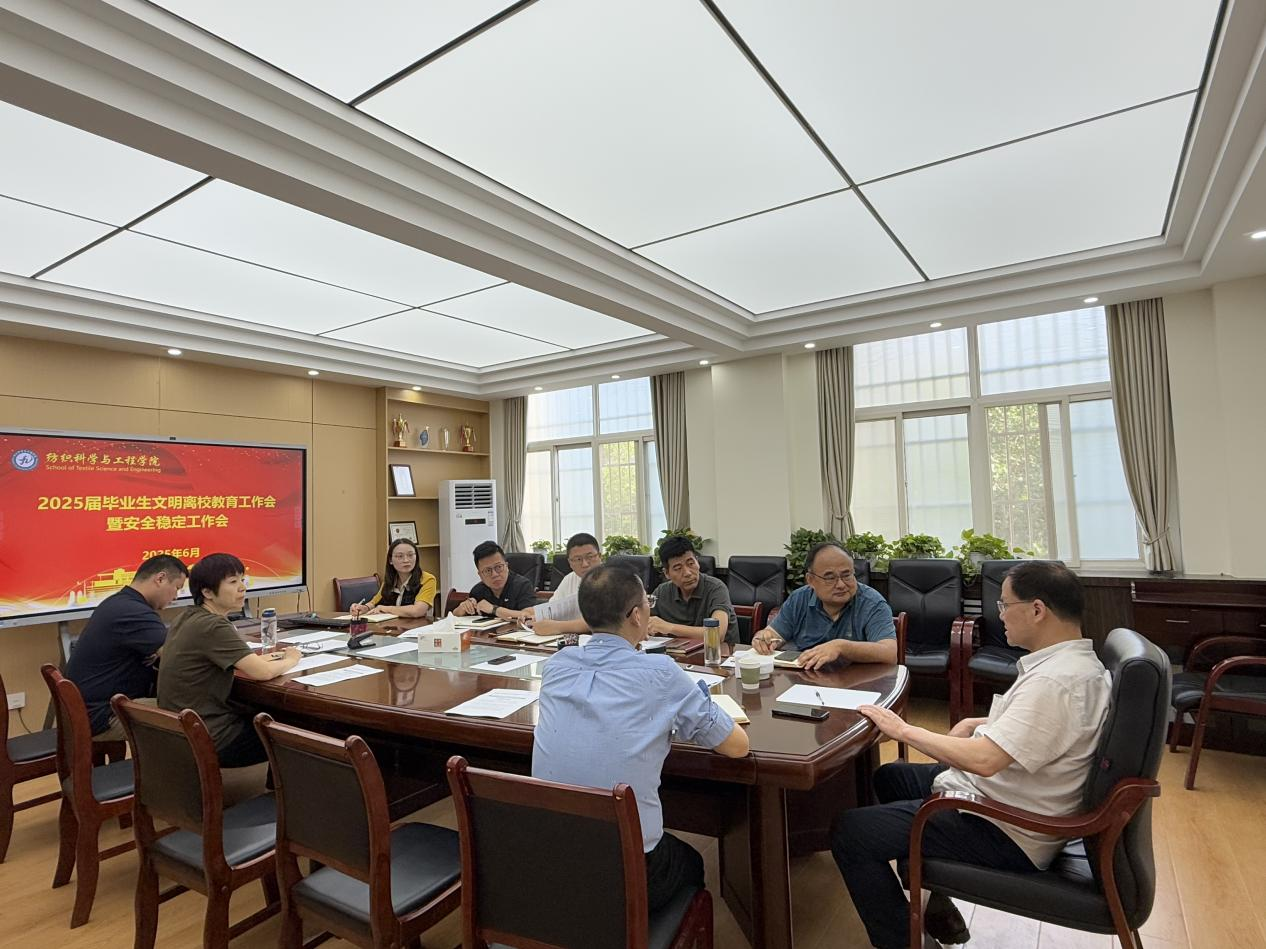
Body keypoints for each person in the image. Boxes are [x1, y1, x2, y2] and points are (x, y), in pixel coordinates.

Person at [830, 561, 1111, 949]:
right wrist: (978, 721)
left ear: (1037, 610)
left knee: (851, 832)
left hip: (1006, 827)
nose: (1000, 615)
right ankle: (938, 906)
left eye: (1004, 604)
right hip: (1007, 795)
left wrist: (904, 731)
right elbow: (1046, 727)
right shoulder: (1075, 664)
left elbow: (985, 760)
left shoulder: (1055, 681)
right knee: (890, 777)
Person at [533, 563, 749, 910]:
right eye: (647, 602)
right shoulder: (660, 672)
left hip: (552, 855)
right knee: (692, 863)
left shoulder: (557, 665)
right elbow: (737, 747)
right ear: (636, 615)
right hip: (626, 868)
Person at [157, 553, 302, 768]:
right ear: (207, 592)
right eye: (233, 582)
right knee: (302, 731)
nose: (242, 588)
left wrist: (266, 659)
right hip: (212, 738)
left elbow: (230, 660)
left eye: (242, 580)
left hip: (182, 731)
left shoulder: (187, 617)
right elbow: (262, 673)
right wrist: (292, 658)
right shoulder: (214, 625)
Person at [66, 553, 189, 742]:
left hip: (90, 709)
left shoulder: (120, 602)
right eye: (177, 588)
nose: (176, 597)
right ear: (160, 579)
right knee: (193, 716)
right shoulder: (134, 612)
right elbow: (177, 659)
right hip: (104, 715)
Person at [752, 541, 896, 669]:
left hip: (856, 681)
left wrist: (841, 647)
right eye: (830, 578)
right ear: (811, 580)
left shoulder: (872, 603)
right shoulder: (799, 599)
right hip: (806, 678)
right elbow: (773, 634)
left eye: (847, 575)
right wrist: (763, 638)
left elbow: (889, 653)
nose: (841, 585)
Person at [649, 535, 738, 642]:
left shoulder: (716, 588)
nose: (687, 573)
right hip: (676, 652)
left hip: (718, 651)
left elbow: (716, 634)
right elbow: (642, 623)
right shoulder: (661, 592)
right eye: (678, 568)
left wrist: (669, 628)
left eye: (691, 563)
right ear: (667, 573)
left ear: (697, 561)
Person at [521, 532, 602, 637]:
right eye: (578, 559)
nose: (585, 564)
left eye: (590, 557)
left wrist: (557, 626)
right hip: (573, 640)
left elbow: (600, 622)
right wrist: (528, 615)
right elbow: (552, 610)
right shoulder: (569, 579)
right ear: (570, 563)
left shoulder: (612, 580)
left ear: (600, 556)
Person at [350, 537, 436, 619]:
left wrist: (384, 608)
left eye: (410, 555)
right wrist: (364, 608)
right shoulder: (390, 580)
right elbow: (375, 601)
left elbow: (417, 611)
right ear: (390, 560)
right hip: (392, 626)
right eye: (400, 556)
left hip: (417, 627)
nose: (406, 560)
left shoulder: (427, 579)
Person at [451, 541, 538, 620]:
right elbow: (455, 616)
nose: (494, 574)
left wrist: (494, 609)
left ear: (507, 566)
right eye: (488, 570)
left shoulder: (522, 585)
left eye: (499, 567)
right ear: (480, 575)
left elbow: (529, 615)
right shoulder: (478, 591)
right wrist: (462, 608)